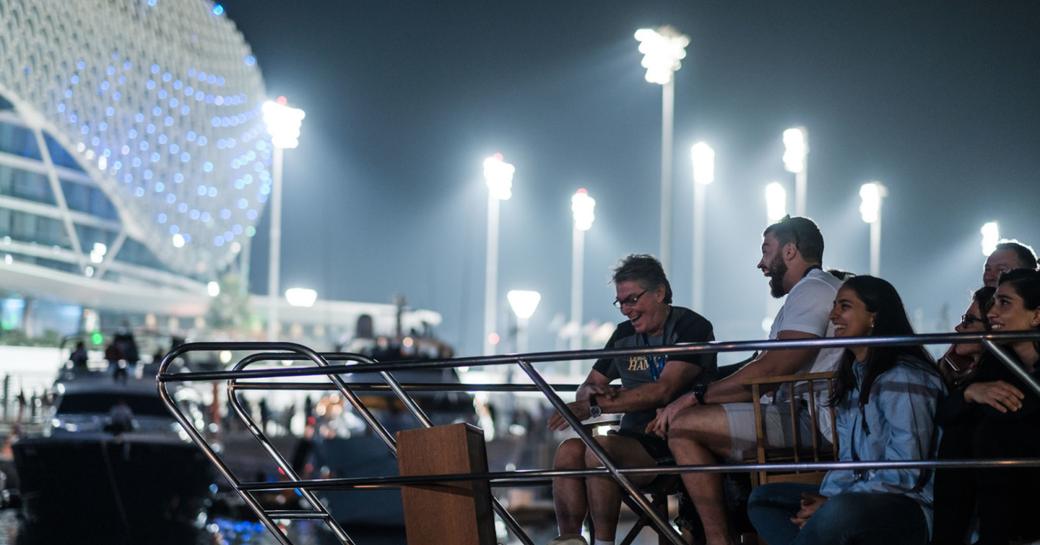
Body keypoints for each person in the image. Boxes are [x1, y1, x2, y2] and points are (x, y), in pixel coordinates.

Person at [648, 215, 843, 545]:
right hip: (797, 415)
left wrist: (695, 396)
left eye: (767, 251)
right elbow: (762, 363)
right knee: (698, 426)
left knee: (683, 426)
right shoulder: (811, 292)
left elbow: (774, 367)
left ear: (791, 251)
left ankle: (718, 539)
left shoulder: (812, 291)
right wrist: (704, 387)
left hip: (810, 422)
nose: (761, 263)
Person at [747, 275, 944, 545]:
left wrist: (831, 503)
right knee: (763, 499)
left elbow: (905, 471)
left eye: (844, 307)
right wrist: (827, 499)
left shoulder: (904, 378)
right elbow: (847, 462)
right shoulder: (853, 376)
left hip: (906, 504)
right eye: (835, 306)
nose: (833, 315)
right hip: (857, 494)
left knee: (839, 513)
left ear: (874, 317)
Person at [546, 254, 717, 545]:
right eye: (621, 302)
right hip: (630, 441)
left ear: (660, 293)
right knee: (567, 452)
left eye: (632, 300)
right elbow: (587, 387)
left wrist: (599, 404)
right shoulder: (623, 335)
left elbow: (663, 390)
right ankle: (570, 541)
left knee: (599, 450)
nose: (626, 310)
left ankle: (604, 543)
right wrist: (593, 393)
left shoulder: (692, 327)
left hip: (674, 441)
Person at [932, 269, 1040, 545]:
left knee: (992, 433)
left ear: (1036, 315)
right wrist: (970, 392)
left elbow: (1018, 409)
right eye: (993, 303)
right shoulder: (998, 358)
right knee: (960, 434)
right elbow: (944, 414)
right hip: (1005, 476)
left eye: (1004, 303)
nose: (992, 313)